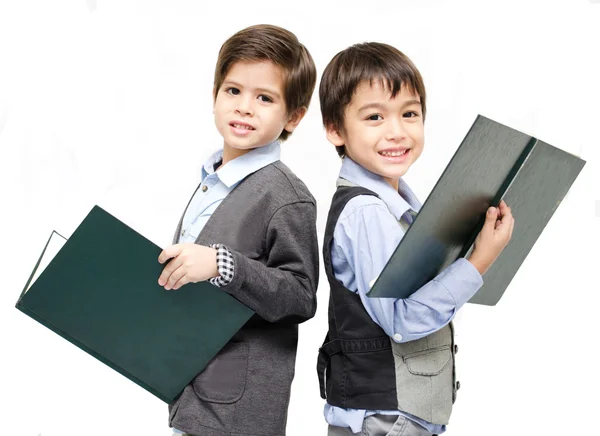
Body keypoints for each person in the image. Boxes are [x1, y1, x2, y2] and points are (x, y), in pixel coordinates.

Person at [317, 42, 514, 436]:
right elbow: (401, 321)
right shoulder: (366, 212)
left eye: (409, 114)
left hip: (400, 415)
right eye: (374, 117)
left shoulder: (402, 205)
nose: (397, 131)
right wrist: (477, 262)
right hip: (385, 418)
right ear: (335, 129)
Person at [157, 24, 319, 436]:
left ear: (294, 116)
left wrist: (221, 264)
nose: (245, 107)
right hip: (189, 390)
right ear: (214, 96)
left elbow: (301, 296)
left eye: (264, 98)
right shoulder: (210, 181)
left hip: (236, 411)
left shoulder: (286, 196)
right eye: (233, 91)